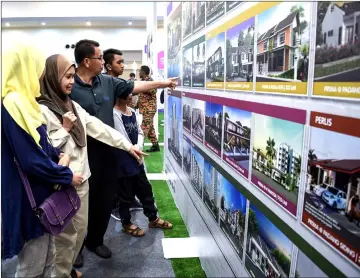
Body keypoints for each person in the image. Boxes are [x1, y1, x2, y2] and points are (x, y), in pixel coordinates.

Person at [38, 54, 146, 278]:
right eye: (65, 77)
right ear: (51, 78)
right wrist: (64, 129)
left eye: (71, 76)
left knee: (77, 234)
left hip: (82, 179)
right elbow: (43, 149)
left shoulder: (72, 104)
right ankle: (60, 273)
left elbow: (98, 127)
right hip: (61, 185)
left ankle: (67, 270)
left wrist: (127, 146)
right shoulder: (43, 110)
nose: (70, 82)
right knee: (63, 238)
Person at [70, 39, 177, 262]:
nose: (103, 62)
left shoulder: (107, 82)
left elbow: (136, 86)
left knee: (105, 199)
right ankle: (76, 249)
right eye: (99, 58)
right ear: (87, 61)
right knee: (79, 203)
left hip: (108, 152)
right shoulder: (70, 86)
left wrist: (162, 83)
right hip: (80, 153)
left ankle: (95, 241)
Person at [2, 43, 82, 277]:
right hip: (29, 199)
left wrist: (59, 156)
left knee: (46, 261)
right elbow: (29, 159)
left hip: (41, 194)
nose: (40, 73)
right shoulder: (13, 103)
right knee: (32, 267)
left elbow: (42, 143)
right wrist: (66, 175)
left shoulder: (25, 102)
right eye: (37, 66)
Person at [113, 92, 173, 236]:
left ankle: (153, 218)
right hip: (124, 161)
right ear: (120, 95)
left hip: (136, 158)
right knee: (125, 195)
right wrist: (133, 150)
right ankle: (126, 223)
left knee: (145, 189)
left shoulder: (132, 111)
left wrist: (138, 148)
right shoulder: (115, 114)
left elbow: (140, 132)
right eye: (130, 94)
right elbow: (121, 138)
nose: (132, 97)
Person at [103, 48, 144, 217]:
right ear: (108, 65)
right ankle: (117, 205)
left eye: (123, 62)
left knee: (130, 174)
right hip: (110, 138)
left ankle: (128, 200)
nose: (123, 65)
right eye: (119, 62)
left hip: (125, 140)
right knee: (116, 174)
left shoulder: (117, 83)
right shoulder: (105, 85)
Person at [139, 65, 160, 152]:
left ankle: (139, 146)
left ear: (143, 72)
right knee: (150, 128)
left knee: (144, 128)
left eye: (140, 71)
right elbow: (142, 96)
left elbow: (154, 91)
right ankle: (155, 146)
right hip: (145, 108)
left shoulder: (150, 81)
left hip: (149, 109)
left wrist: (145, 87)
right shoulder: (143, 81)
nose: (139, 73)